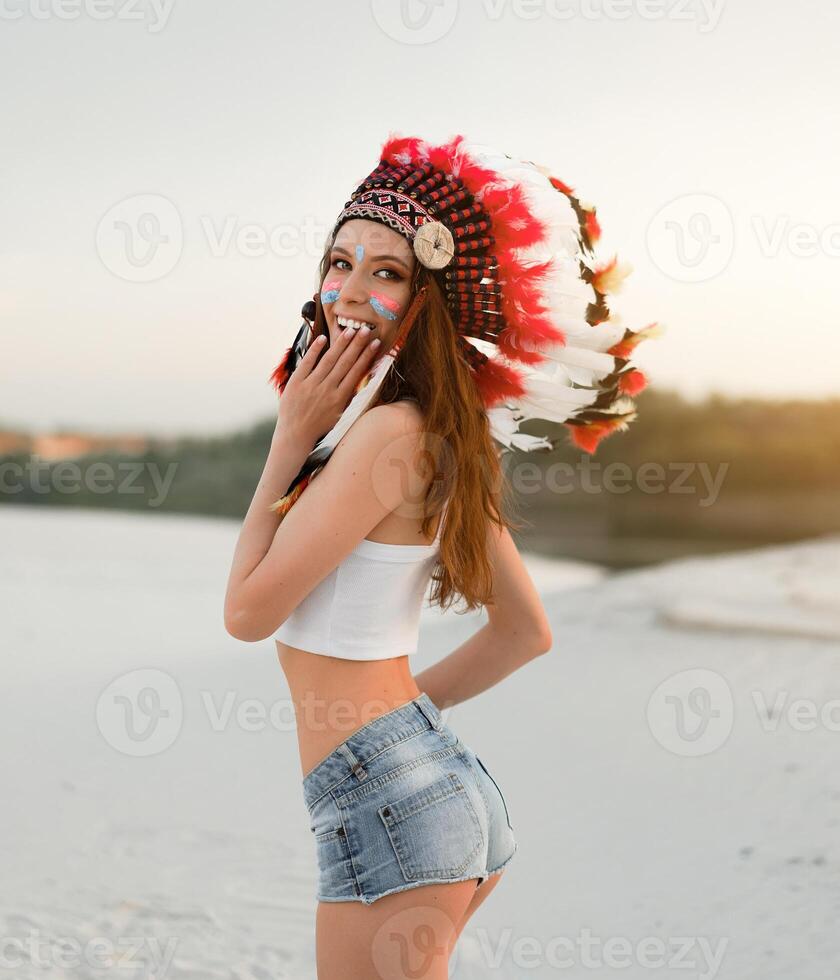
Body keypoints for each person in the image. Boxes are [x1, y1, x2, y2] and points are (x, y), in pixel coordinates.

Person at [224, 133, 657, 979]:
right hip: (432, 787)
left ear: (430, 297)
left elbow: (246, 613)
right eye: (339, 261)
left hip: (386, 798)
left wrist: (287, 440)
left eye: (386, 272)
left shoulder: (387, 434)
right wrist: (397, 722)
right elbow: (525, 632)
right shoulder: (430, 432)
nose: (349, 290)